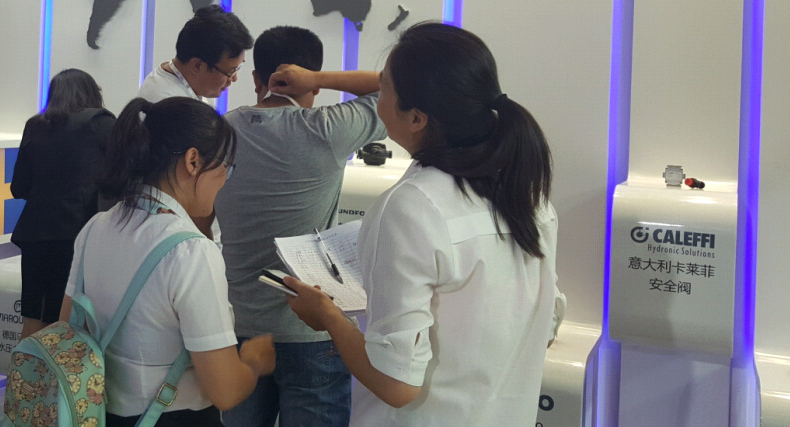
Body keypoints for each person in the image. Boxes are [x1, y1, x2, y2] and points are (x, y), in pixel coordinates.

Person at [279, 22, 563, 426]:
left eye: (383, 87)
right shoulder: (530, 198)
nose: (376, 97)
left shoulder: (412, 207)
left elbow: (396, 384)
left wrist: (328, 316)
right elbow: (546, 327)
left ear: (416, 118)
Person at [58, 96, 275, 427]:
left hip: (96, 415)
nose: (224, 181)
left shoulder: (95, 228)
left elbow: (68, 333)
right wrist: (253, 362)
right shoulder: (191, 252)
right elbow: (225, 390)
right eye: (224, 167)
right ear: (193, 161)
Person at [216, 26, 386, 427]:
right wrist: (319, 78)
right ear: (312, 83)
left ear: (255, 78)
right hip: (313, 331)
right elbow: (403, 88)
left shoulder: (219, 132)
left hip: (237, 328)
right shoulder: (327, 129)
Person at [10, 69, 114, 340]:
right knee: (67, 323)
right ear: (91, 93)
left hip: (34, 234)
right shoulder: (102, 123)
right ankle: (58, 371)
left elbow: (18, 187)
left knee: (33, 317)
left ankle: (26, 369)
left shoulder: (35, 125)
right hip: (78, 234)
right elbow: (118, 181)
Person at [137, 5, 254, 105]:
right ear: (197, 66)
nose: (234, 79)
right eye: (230, 71)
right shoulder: (172, 108)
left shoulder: (178, 82)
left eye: (237, 68)